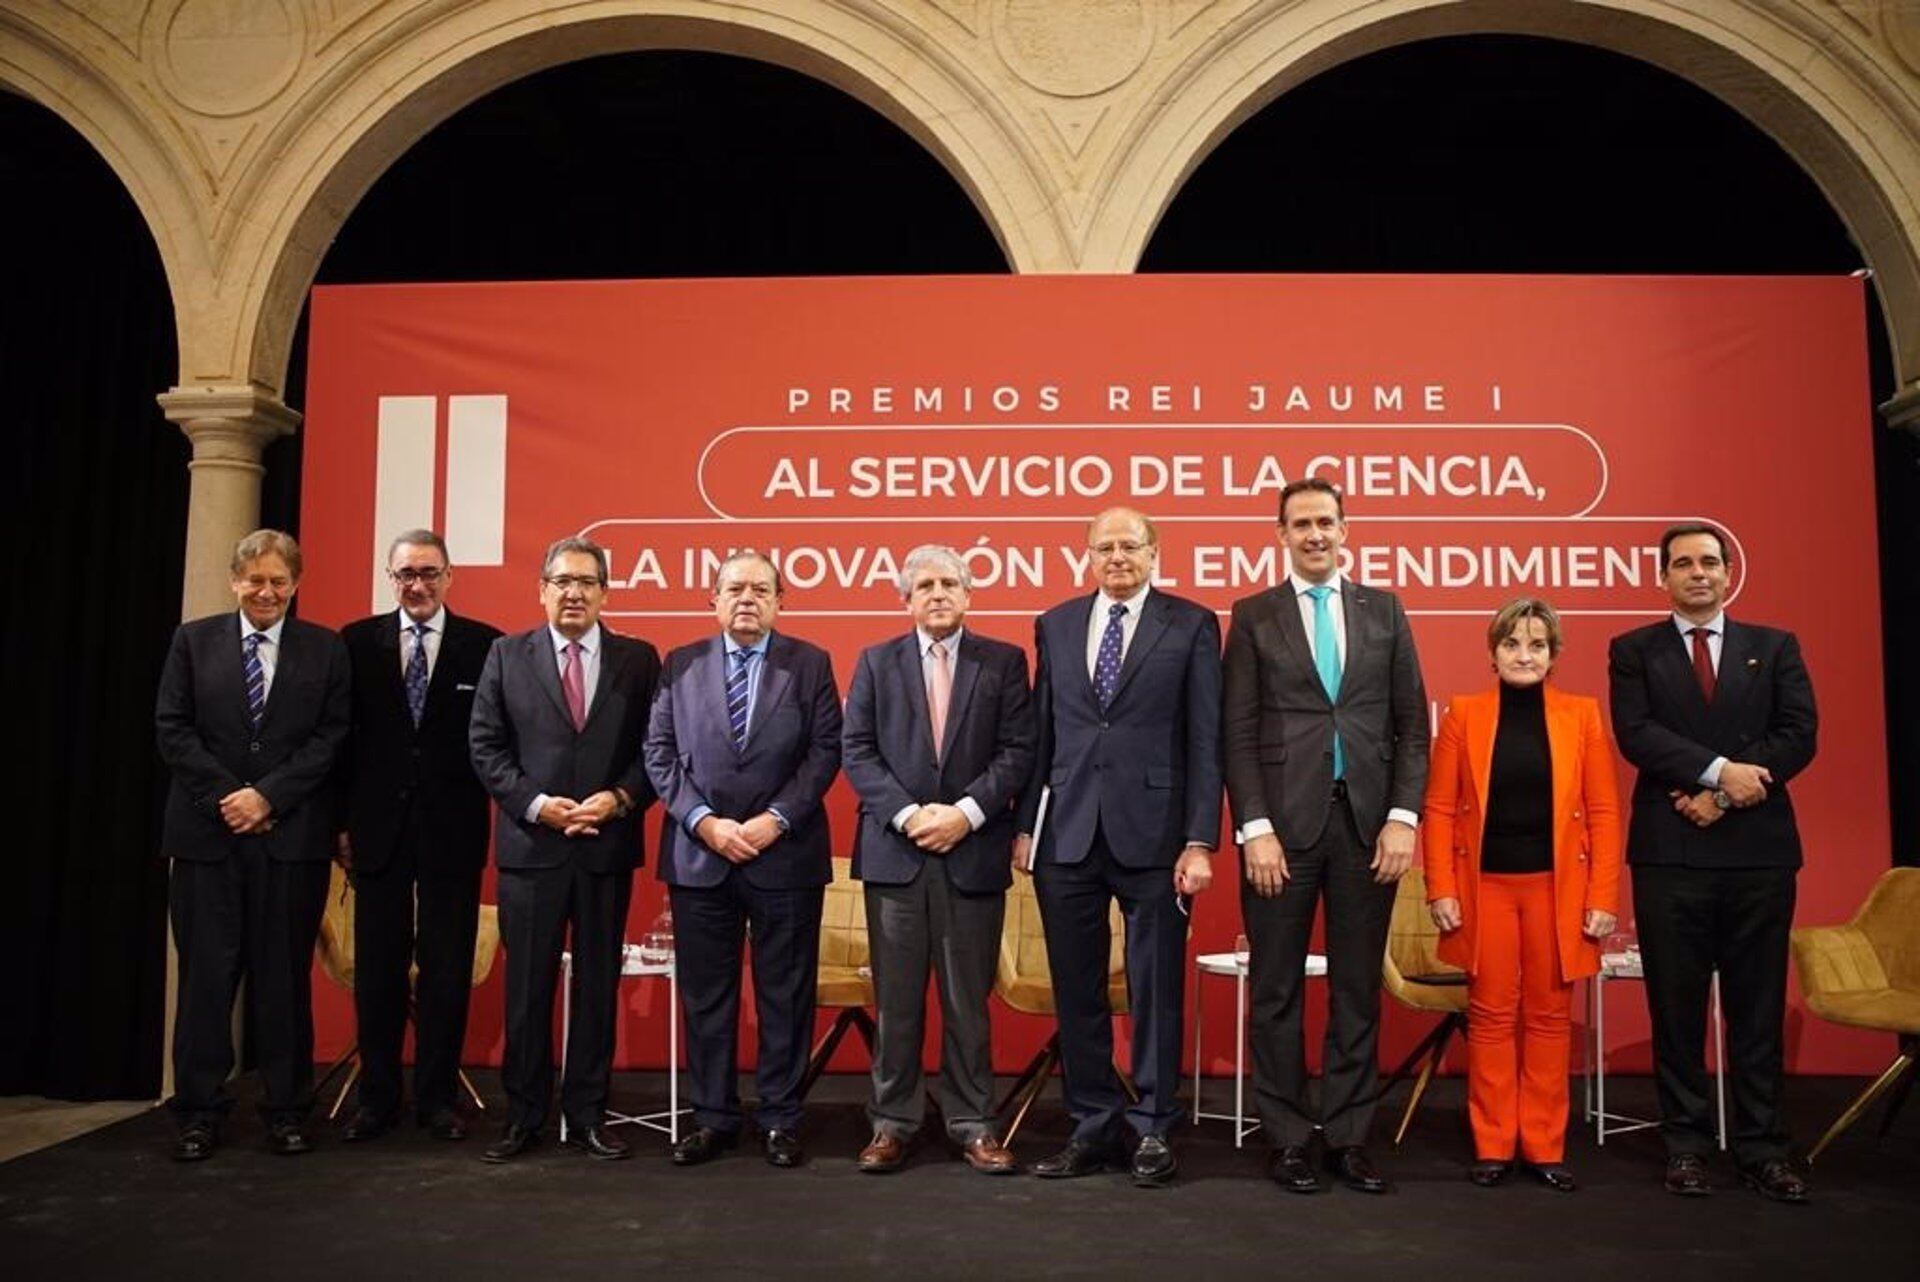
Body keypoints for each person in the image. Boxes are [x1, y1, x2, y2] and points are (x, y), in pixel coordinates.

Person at [1222, 477, 1428, 1194]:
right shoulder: (1253, 615)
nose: (1315, 534)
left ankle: (1346, 1137)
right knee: (1276, 988)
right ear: (1280, 533)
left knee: (1355, 989)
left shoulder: (1386, 610)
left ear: (1346, 530)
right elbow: (1237, 732)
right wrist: (1254, 828)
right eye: (1301, 523)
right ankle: (1286, 1139)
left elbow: (1412, 727)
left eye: (1327, 522)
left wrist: (1404, 817)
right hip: (1282, 829)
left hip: (1369, 829)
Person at [1608, 523, 1817, 1203]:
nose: (1698, 574)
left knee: (1757, 1011)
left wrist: (1725, 799)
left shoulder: (1774, 647)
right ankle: (1687, 1146)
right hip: (1672, 855)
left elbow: (1798, 734)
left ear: (1729, 572)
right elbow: (1638, 734)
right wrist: (1719, 772)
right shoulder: (1634, 650)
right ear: (1662, 577)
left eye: (1709, 562)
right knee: (1677, 1010)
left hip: (1757, 853)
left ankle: (1762, 1149)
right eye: (1683, 564)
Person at [1014, 507, 1221, 1187]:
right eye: (1104, 547)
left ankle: (1155, 1126)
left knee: (1154, 987)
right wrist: (1025, 826)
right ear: (1087, 555)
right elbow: (1045, 734)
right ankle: (1093, 1125)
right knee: (1078, 991)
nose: (1117, 557)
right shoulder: (1058, 622)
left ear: (1155, 551)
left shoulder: (1191, 624)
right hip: (1068, 834)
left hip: (1157, 836)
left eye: (1130, 545)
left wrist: (1199, 839)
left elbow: (1203, 740)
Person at [155, 528, 351, 1160]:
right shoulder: (193, 642)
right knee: (208, 981)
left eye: (279, 581)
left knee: (283, 982)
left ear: (295, 583)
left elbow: (331, 736)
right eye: (256, 580)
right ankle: (198, 1114)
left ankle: (288, 1111)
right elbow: (173, 729)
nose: (267, 592)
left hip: (290, 842)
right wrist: (231, 797)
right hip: (207, 841)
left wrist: (269, 796)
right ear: (235, 580)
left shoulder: (324, 649)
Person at [645, 550, 843, 1169]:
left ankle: (781, 1118)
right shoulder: (680, 664)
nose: (747, 599)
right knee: (708, 995)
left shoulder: (809, 664)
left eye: (761, 589)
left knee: (784, 994)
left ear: (781, 601)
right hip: (701, 856)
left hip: (783, 853)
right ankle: (713, 1117)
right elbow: (659, 751)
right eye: (734, 589)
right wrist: (704, 822)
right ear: (713, 600)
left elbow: (824, 750)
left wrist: (772, 820)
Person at [842, 545, 1034, 1175]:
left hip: (971, 852)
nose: (937, 593)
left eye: (949, 582)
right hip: (896, 855)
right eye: (923, 585)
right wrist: (909, 814)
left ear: (969, 594)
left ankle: (974, 1123)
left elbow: (1017, 750)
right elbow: (858, 752)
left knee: (965, 1003)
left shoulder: (1003, 663)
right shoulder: (876, 662)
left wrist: (965, 814)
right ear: (906, 599)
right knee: (896, 1002)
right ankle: (892, 1122)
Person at [467, 535, 660, 1162]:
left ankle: (587, 1116)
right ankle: (524, 1118)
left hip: (605, 844)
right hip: (531, 846)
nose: (573, 592)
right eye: (562, 581)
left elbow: (654, 752)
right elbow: (486, 746)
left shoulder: (638, 659)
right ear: (542, 590)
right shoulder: (506, 654)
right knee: (527, 989)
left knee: (598, 987)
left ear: (605, 592)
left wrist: (619, 800)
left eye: (586, 582)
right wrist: (537, 805)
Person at [1422, 598, 1622, 1191]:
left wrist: (1603, 896)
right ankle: (1491, 1144)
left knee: (1549, 1018)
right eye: (1512, 644)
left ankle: (1542, 1145)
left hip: (1557, 890)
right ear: (1493, 652)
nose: (1524, 655)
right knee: (1487, 1018)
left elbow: (1606, 813)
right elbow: (1437, 808)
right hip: (1483, 890)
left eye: (1536, 645)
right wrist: (1441, 887)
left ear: (1554, 654)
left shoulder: (1581, 716)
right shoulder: (1464, 714)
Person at [335, 529, 502, 1143]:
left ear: (450, 576)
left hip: (451, 832)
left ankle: (435, 1098)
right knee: (377, 971)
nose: (418, 584)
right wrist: (341, 824)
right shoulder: (356, 644)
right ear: (391, 577)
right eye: (405, 573)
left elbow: (493, 742)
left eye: (429, 572)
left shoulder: (485, 647)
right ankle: (378, 1097)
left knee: (446, 969)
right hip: (375, 834)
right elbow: (340, 743)